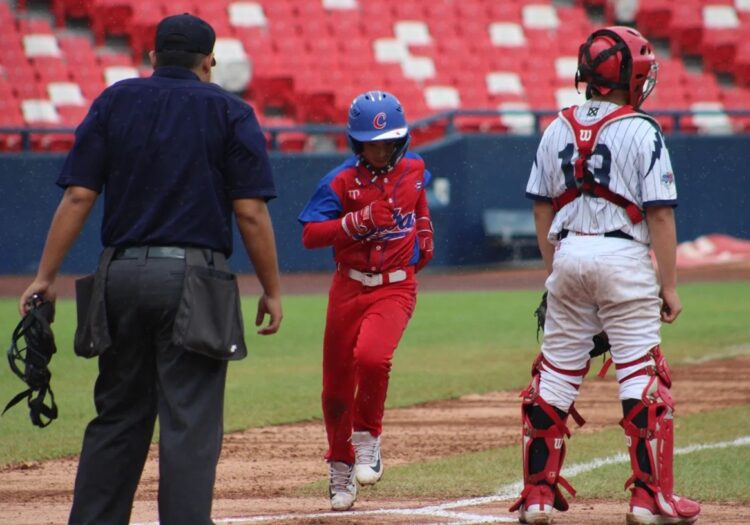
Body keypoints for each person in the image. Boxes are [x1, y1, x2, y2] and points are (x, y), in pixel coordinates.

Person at [19, 13, 283, 525]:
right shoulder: (232, 111)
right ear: (210, 62)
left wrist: (45, 277)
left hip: (118, 277)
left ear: (153, 57)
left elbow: (78, 195)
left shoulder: (115, 101)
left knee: (117, 417)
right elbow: (250, 211)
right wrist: (271, 289)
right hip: (194, 278)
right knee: (188, 424)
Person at [509, 27, 701, 525]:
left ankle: (536, 497)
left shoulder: (556, 127)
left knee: (552, 377)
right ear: (632, 77)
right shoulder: (643, 129)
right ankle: (648, 498)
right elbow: (659, 214)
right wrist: (670, 285)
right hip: (623, 258)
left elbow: (540, 208)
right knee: (643, 376)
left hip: (568, 252)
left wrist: (555, 275)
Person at [298, 91, 434, 511]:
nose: (380, 149)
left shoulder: (414, 170)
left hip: (395, 285)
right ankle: (341, 464)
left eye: (389, 141)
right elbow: (309, 235)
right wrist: (354, 223)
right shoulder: (339, 181)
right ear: (356, 143)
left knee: (373, 358)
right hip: (349, 286)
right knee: (335, 387)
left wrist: (426, 231)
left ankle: (368, 436)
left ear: (402, 140)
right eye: (371, 142)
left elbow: (419, 204)